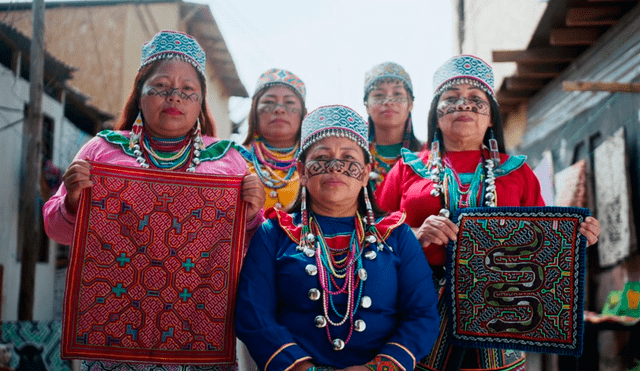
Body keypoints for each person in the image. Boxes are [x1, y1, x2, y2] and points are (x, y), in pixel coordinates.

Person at [42, 30, 265, 371]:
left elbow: (250, 249)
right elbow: (57, 230)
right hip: (115, 341)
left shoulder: (229, 161)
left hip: (200, 338)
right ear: (140, 94)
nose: (174, 97)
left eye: (188, 91)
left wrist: (251, 215)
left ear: (200, 101)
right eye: (161, 87)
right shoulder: (102, 152)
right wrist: (72, 201)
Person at [375, 55, 601, 371]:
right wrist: (414, 234)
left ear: (491, 117)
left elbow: (542, 244)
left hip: (502, 309)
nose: (463, 106)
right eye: (451, 99)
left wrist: (577, 238)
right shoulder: (406, 169)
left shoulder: (518, 173)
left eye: (475, 100)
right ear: (436, 116)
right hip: (419, 307)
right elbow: (370, 237)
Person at [235, 105, 440, 371]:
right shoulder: (274, 233)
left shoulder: (396, 233)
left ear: (366, 173)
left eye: (348, 157)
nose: (336, 166)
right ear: (303, 171)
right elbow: (254, 313)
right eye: (322, 157)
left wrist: (377, 369)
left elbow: (422, 315)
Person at [239, 68, 307, 210]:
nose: (279, 109)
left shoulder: (313, 163)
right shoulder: (234, 160)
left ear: (303, 114)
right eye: (269, 101)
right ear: (254, 111)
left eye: (289, 102)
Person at [363, 62, 422, 190]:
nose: (388, 102)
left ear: (410, 104)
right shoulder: (357, 156)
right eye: (379, 95)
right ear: (367, 105)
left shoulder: (428, 155)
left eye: (397, 94)